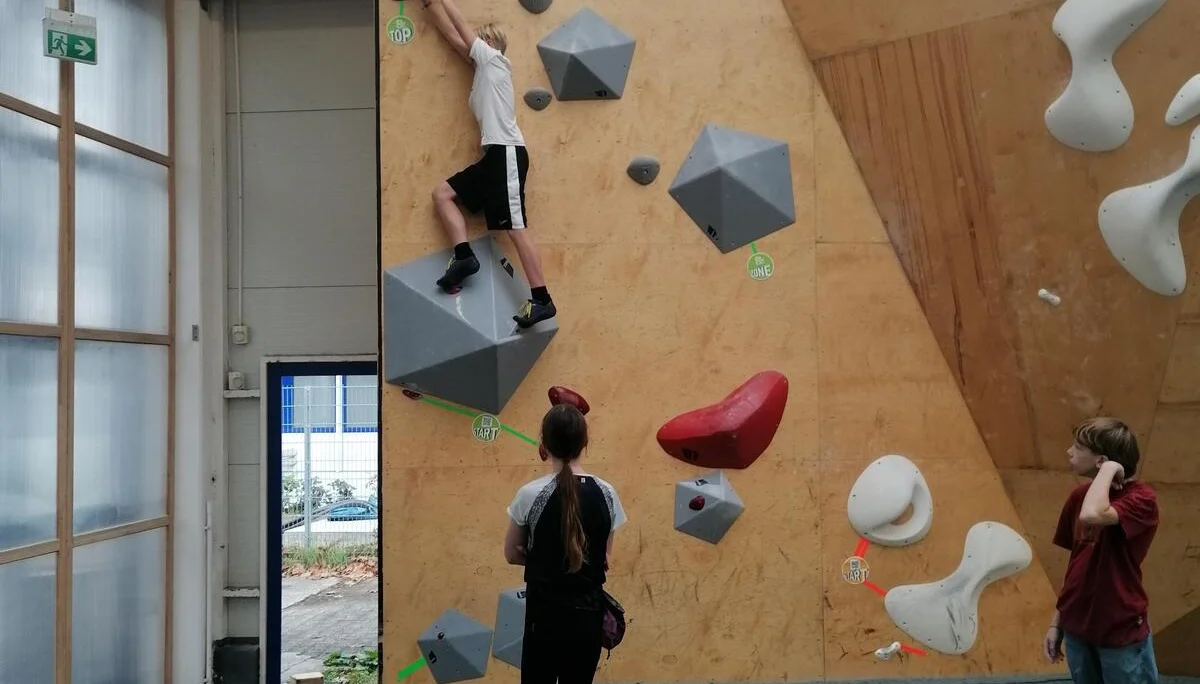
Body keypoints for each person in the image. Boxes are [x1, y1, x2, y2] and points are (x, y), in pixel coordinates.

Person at [420, 0, 556, 329]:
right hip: (493, 156)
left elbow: (462, 29)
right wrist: (428, 5)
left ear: (489, 44)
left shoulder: (495, 61)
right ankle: (465, 256)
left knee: (515, 227)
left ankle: (542, 300)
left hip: (507, 153)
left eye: (478, 41)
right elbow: (454, 37)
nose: (470, 46)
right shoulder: (482, 69)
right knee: (443, 195)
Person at [503, 404, 627, 684]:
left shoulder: (529, 494)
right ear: (585, 443)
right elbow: (604, 557)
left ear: (543, 444)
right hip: (588, 619)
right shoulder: (607, 493)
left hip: (543, 620)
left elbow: (512, 553)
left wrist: (541, 558)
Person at [1043, 416, 1159, 684]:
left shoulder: (1142, 500)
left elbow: (1093, 514)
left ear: (1101, 460)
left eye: (1078, 448)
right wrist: (1056, 623)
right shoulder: (1079, 497)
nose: (1069, 452)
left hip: (1119, 630)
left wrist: (1109, 470)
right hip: (1077, 627)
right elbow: (1076, 564)